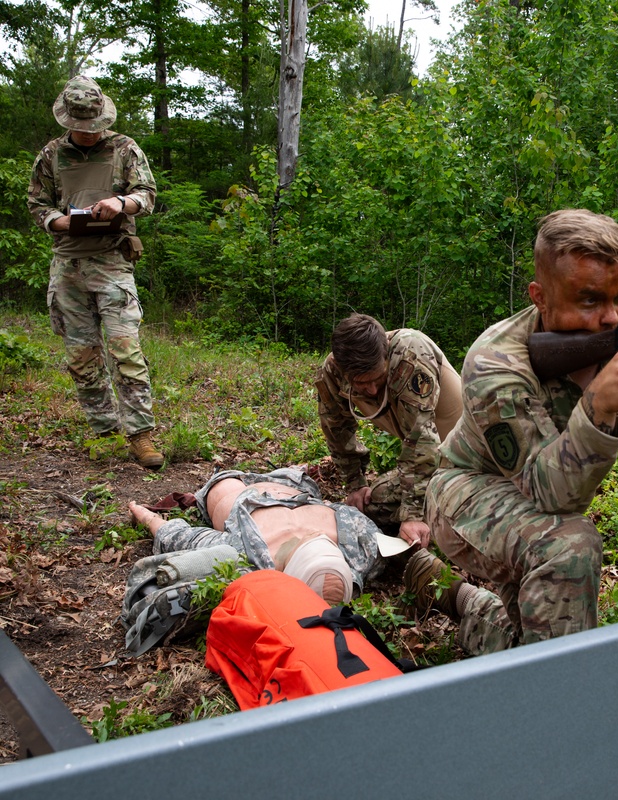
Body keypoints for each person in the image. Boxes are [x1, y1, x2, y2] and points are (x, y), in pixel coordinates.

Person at [408, 209, 618, 655]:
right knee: (569, 548)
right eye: (589, 301)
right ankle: (562, 696)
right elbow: (549, 496)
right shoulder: (497, 361)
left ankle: (457, 598)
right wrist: (598, 407)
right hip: (464, 492)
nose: (612, 318)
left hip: (537, 499)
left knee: (526, 641)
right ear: (541, 297)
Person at [27, 75, 163, 469]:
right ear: (67, 121)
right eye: (80, 128)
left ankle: (141, 435)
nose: (88, 134)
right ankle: (104, 433)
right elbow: (37, 202)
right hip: (68, 264)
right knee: (82, 354)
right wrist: (57, 222)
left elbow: (147, 194)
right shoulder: (51, 155)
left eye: (94, 127)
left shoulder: (124, 148)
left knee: (126, 348)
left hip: (112, 261)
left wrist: (122, 203)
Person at [128, 468, 413, 605]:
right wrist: (143, 514)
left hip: (291, 481)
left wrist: (143, 513)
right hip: (255, 485)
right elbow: (176, 536)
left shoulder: (359, 540)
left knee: (223, 490)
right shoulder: (247, 555)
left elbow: (176, 536)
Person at [314, 313, 462, 549]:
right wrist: (355, 484)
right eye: (361, 383)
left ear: (386, 355)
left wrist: (413, 513)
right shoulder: (331, 373)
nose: (371, 390)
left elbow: (421, 438)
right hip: (437, 457)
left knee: (393, 503)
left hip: (467, 452)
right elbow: (337, 430)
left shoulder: (412, 353)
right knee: (373, 503)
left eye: (378, 378)